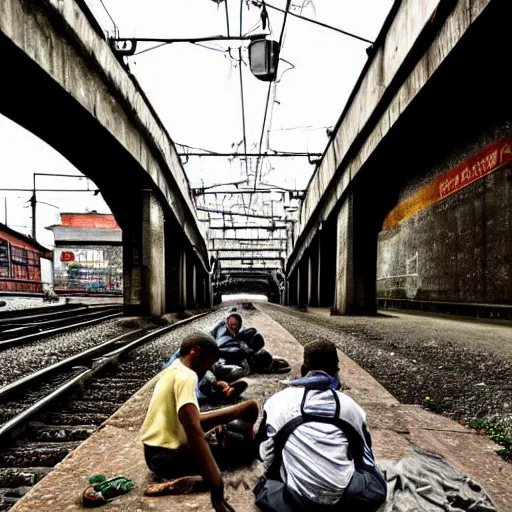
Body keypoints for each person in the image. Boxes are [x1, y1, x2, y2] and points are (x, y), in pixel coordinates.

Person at [254, 340, 387, 512]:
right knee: (374, 480)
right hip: (343, 501)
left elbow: (261, 452)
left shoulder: (277, 401)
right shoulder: (350, 407)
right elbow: (365, 455)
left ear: (303, 370)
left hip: (293, 501)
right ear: (336, 372)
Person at [140, 331, 259, 512]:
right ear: (195, 351)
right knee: (245, 451)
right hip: (168, 458)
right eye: (207, 364)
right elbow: (193, 428)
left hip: (155, 454)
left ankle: (194, 476)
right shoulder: (188, 376)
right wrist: (217, 487)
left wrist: (233, 412)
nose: (206, 370)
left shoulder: (173, 369)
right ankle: (194, 481)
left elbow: (191, 418)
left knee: (230, 437)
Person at [211, 312, 290, 375]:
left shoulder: (224, 330)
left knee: (252, 333)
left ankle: (264, 361)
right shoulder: (224, 331)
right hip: (229, 353)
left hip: (231, 352)